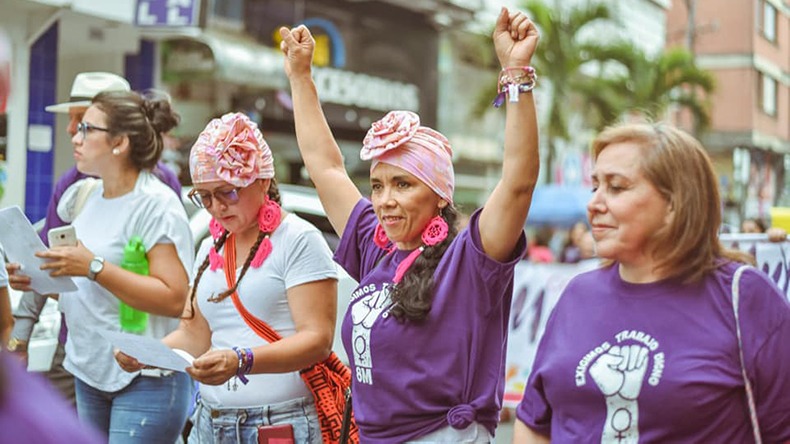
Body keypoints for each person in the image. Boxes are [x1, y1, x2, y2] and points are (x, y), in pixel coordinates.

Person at [279, 7, 539, 442]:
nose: (384, 201)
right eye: (377, 186)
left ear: (440, 195)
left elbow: (518, 182)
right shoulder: (377, 247)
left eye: (403, 184)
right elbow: (326, 168)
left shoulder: (469, 260)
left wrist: (516, 73)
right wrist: (301, 76)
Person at [513, 123, 790, 442]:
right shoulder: (577, 294)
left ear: (674, 203)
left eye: (616, 187)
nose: (594, 204)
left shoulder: (745, 296)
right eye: (595, 187)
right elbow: (533, 421)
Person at [115, 112, 338, 443]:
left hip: (280, 423)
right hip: (211, 420)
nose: (216, 207)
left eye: (227, 192)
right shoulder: (209, 247)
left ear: (262, 181)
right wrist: (147, 353)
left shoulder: (298, 239)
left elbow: (317, 340)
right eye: (204, 197)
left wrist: (241, 360)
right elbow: (194, 333)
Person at [7, 90, 194, 443]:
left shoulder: (156, 205)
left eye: (88, 129)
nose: (76, 135)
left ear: (120, 142)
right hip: (88, 369)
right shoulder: (83, 197)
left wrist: (93, 266)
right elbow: (74, 279)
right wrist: (35, 278)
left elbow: (174, 298)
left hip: (146, 378)